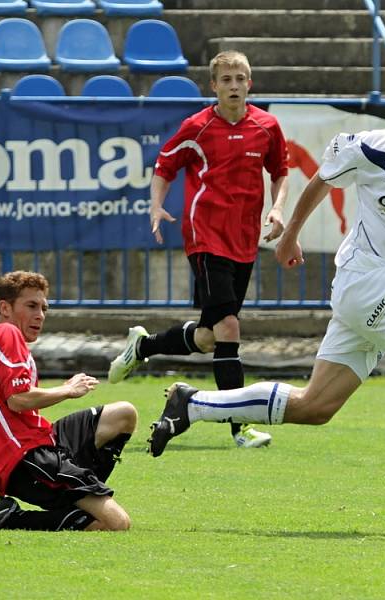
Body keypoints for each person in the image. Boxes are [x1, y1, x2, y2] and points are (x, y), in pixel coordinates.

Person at [146, 54, 385, 514]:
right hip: (368, 280)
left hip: (381, 287)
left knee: (314, 407)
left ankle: (193, 403)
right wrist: (292, 235)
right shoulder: (374, 146)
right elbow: (322, 180)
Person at [108, 50, 289, 449]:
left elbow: (280, 171)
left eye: (241, 78)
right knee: (230, 328)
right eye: (226, 80)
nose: (235, 86)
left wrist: (277, 207)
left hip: (243, 240)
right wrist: (156, 205)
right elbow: (165, 165)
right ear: (214, 86)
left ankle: (145, 346)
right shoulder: (198, 127)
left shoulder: (267, 126)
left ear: (250, 82)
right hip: (205, 235)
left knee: (210, 337)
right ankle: (240, 427)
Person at [0, 271, 135, 531]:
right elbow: (19, 399)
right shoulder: (6, 333)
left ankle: (78, 495)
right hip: (26, 459)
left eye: (44, 308)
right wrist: (68, 389)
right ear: (5, 308)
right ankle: (8, 519)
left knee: (124, 414)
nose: (40, 315)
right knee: (117, 524)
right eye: (31, 306)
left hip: (38, 445)